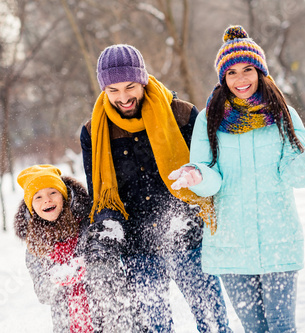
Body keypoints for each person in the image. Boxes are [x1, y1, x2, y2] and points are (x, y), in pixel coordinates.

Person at [169, 25, 305, 332]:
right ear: (223, 77)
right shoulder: (209, 118)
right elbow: (211, 176)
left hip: (277, 239)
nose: (241, 79)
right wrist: (195, 174)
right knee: (254, 329)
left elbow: (294, 174)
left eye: (247, 70)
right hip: (230, 243)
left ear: (260, 71)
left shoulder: (283, 115)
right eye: (231, 72)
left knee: (281, 327)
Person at [80, 44, 230, 332]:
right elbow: (101, 196)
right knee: (154, 327)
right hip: (138, 248)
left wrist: (195, 210)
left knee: (213, 322)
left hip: (188, 237)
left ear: (143, 79)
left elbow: (209, 171)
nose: (123, 97)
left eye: (130, 86)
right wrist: (107, 229)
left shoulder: (183, 115)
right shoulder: (93, 132)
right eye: (112, 90)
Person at [14, 164, 94, 333]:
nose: (47, 200)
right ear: (31, 207)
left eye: (53, 192)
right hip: (66, 326)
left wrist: (84, 268)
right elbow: (43, 294)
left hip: (103, 320)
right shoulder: (35, 246)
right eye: (38, 197)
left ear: (64, 196)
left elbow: (104, 269)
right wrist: (58, 279)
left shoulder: (87, 226)